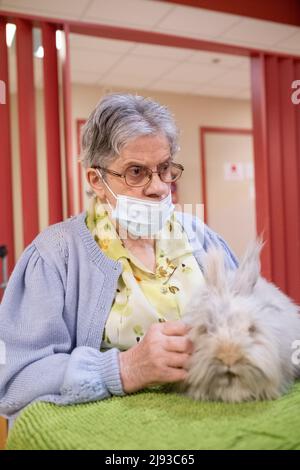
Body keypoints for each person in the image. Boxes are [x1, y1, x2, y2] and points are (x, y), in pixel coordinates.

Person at [0, 93, 237, 422]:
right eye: (136, 172)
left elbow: (259, 319)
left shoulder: (202, 238)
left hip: (213, 419)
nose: (158, 187)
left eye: (165, 168)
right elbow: (15, 380)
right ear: (97, 180)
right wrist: (125, 368)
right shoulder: (55, 256)